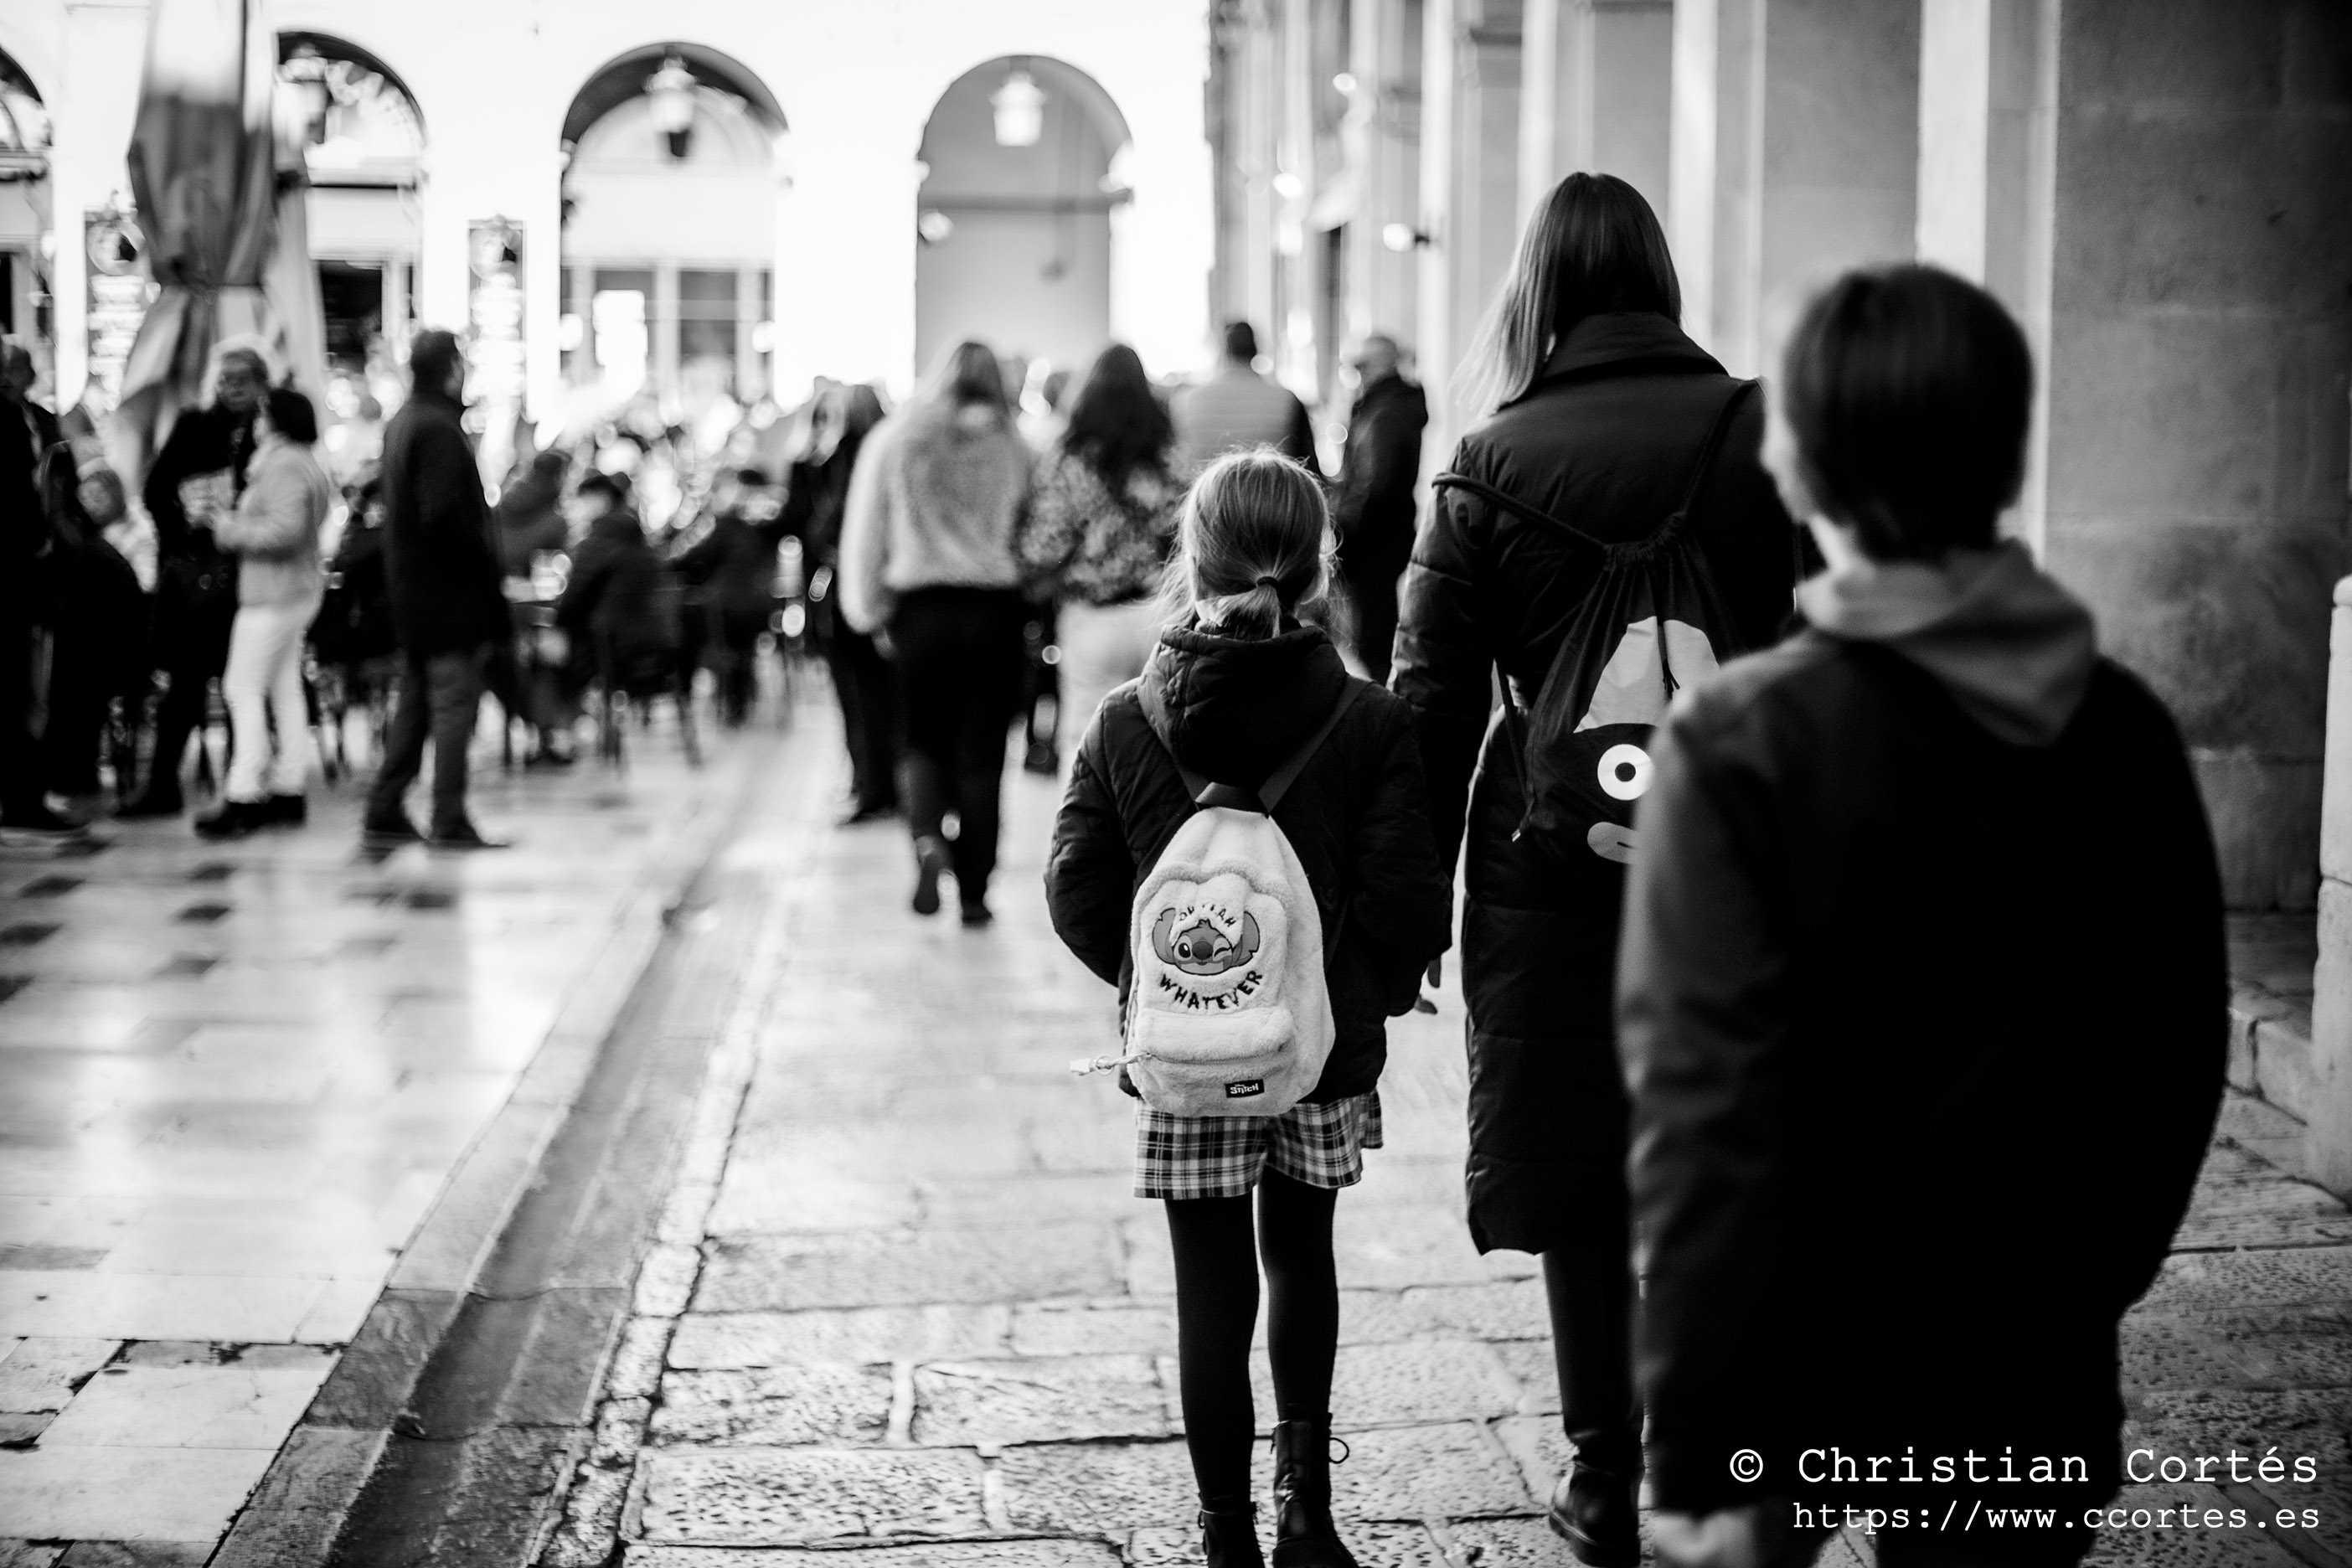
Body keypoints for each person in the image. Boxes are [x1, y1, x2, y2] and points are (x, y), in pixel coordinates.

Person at [1620, 265, 2227, 1568]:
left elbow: (1701, 1108)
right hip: (2027, 1366)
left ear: (1802, 470)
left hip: (1790, 1363)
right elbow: (2173, 1068)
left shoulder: (1741, 742)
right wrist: (2071, 1298)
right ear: (2006, 451)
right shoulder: (2122, 731)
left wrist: (1695, 1432)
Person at [1387, 173, 1798, 1568]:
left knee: (1575, 1149)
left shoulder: (1487, 460)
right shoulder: (1758, 433)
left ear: (1539, 290)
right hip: (1734, 847)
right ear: (1660, 280)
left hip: (1541, 855)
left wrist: (1400, 914)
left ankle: (1603, 1468)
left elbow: (1429, 704)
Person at [1045, 451, 1452, 1568]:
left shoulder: (1129, 721)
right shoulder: (1368, 722)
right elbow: (1410, 900)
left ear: (1192, 558)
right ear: (1318, 568)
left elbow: (1074, 888)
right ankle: (1308, 1516)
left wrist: (1159, 989)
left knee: (1209, 1287)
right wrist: (1340, 1000)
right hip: (1319, 1060)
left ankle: (1226, 1533)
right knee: (1301, 1263)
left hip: (1185, 1059)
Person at [838, 341, 1033, 924]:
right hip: (995, 611)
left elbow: (868, 532)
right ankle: (974, 891)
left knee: (919, 738)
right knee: (983, 753)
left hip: (920, 611)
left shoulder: (897, 440)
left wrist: (869, 610)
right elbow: (1033, 532)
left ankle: (926, 838)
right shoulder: (1017, 446)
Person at [364, 329, 511, 850]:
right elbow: (446, 515)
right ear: (451, 368)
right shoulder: (437, 429)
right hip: (446, 598)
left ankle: (385, 804)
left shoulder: (405, 421)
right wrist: (481, 572)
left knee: (418, 700)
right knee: (453, 704)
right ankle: (448, 815)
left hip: (413, 593)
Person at [121, 338, 271, 818]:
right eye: (224, 380)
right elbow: (154, 489)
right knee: (184, 686)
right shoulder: (193, 426)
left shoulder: (270, 432)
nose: (231, 390)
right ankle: (163, 785)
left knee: (244, 687)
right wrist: (188, 522)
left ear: (261, 384)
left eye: (241, 381)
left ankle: (245, 787)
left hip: (247, 576)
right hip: (193, 578)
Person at [1017, 343, 1185, 750]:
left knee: (1087, 745)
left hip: (1093, 618)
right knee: (1159, 746)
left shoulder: (1069, 459)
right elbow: (1184, 535)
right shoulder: (1167, 458)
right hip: (1159, 614)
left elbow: (1043, 546)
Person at [197, 386, 334, 838]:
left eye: (261, 415)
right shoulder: (300, 461)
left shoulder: (285, 464)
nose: (255, 423)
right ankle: (287, 788)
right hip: (292, 591)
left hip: (272, 595)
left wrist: (226, 527)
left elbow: (285, 530)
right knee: (283, 689)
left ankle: (244, 794)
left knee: (242, 687)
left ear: (276, 421)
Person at [784, 384, 897, 821]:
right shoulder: (891, 453)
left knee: (859, 697)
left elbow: (825, 530)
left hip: (851, 594)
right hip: (890, 594)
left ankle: (872, 786)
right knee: (885, 698)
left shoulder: (849, 460)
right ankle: (882, 785)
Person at [1328, 336, 1426, 683]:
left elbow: (1375, 486)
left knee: (1372, 634)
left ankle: (1378, 701)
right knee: (1376, 627)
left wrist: (1345, 533)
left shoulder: (1386, 412)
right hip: (1385, 537)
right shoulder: (1385, 406)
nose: (1357, 375)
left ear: (1383, 364)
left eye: (1362, 366)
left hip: (1375, 543)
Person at [558, 472, 683, 709]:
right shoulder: (642, 541)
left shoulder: (597, 542)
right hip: (658, 649)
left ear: (600, 500)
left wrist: (555, 621)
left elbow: (570, 605)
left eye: (581, 499)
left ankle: (559, 728)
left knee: (542, 649)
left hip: (611, 652)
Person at [676, 466, 777, 726]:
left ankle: (685, 695)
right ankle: (735, 694)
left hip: (726, 612)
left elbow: (687, 559)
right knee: (735, 643)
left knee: (684, 621)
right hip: (763, 611)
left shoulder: (724, 527)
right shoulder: (764, 528)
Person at [1173, 322, 1319, 476]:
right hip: (1272, 495)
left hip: (1206, 495)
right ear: (1256, 349)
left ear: (1222, 350)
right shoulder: (1287, 400)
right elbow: (1309, 469)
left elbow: (1178, 462)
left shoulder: (1187, 400)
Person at [494, 450, 571, 577]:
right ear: (560, 476)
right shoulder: (556, 522)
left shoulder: (508, 498)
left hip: (492, 573)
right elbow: (556, 569)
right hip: (525, 582)